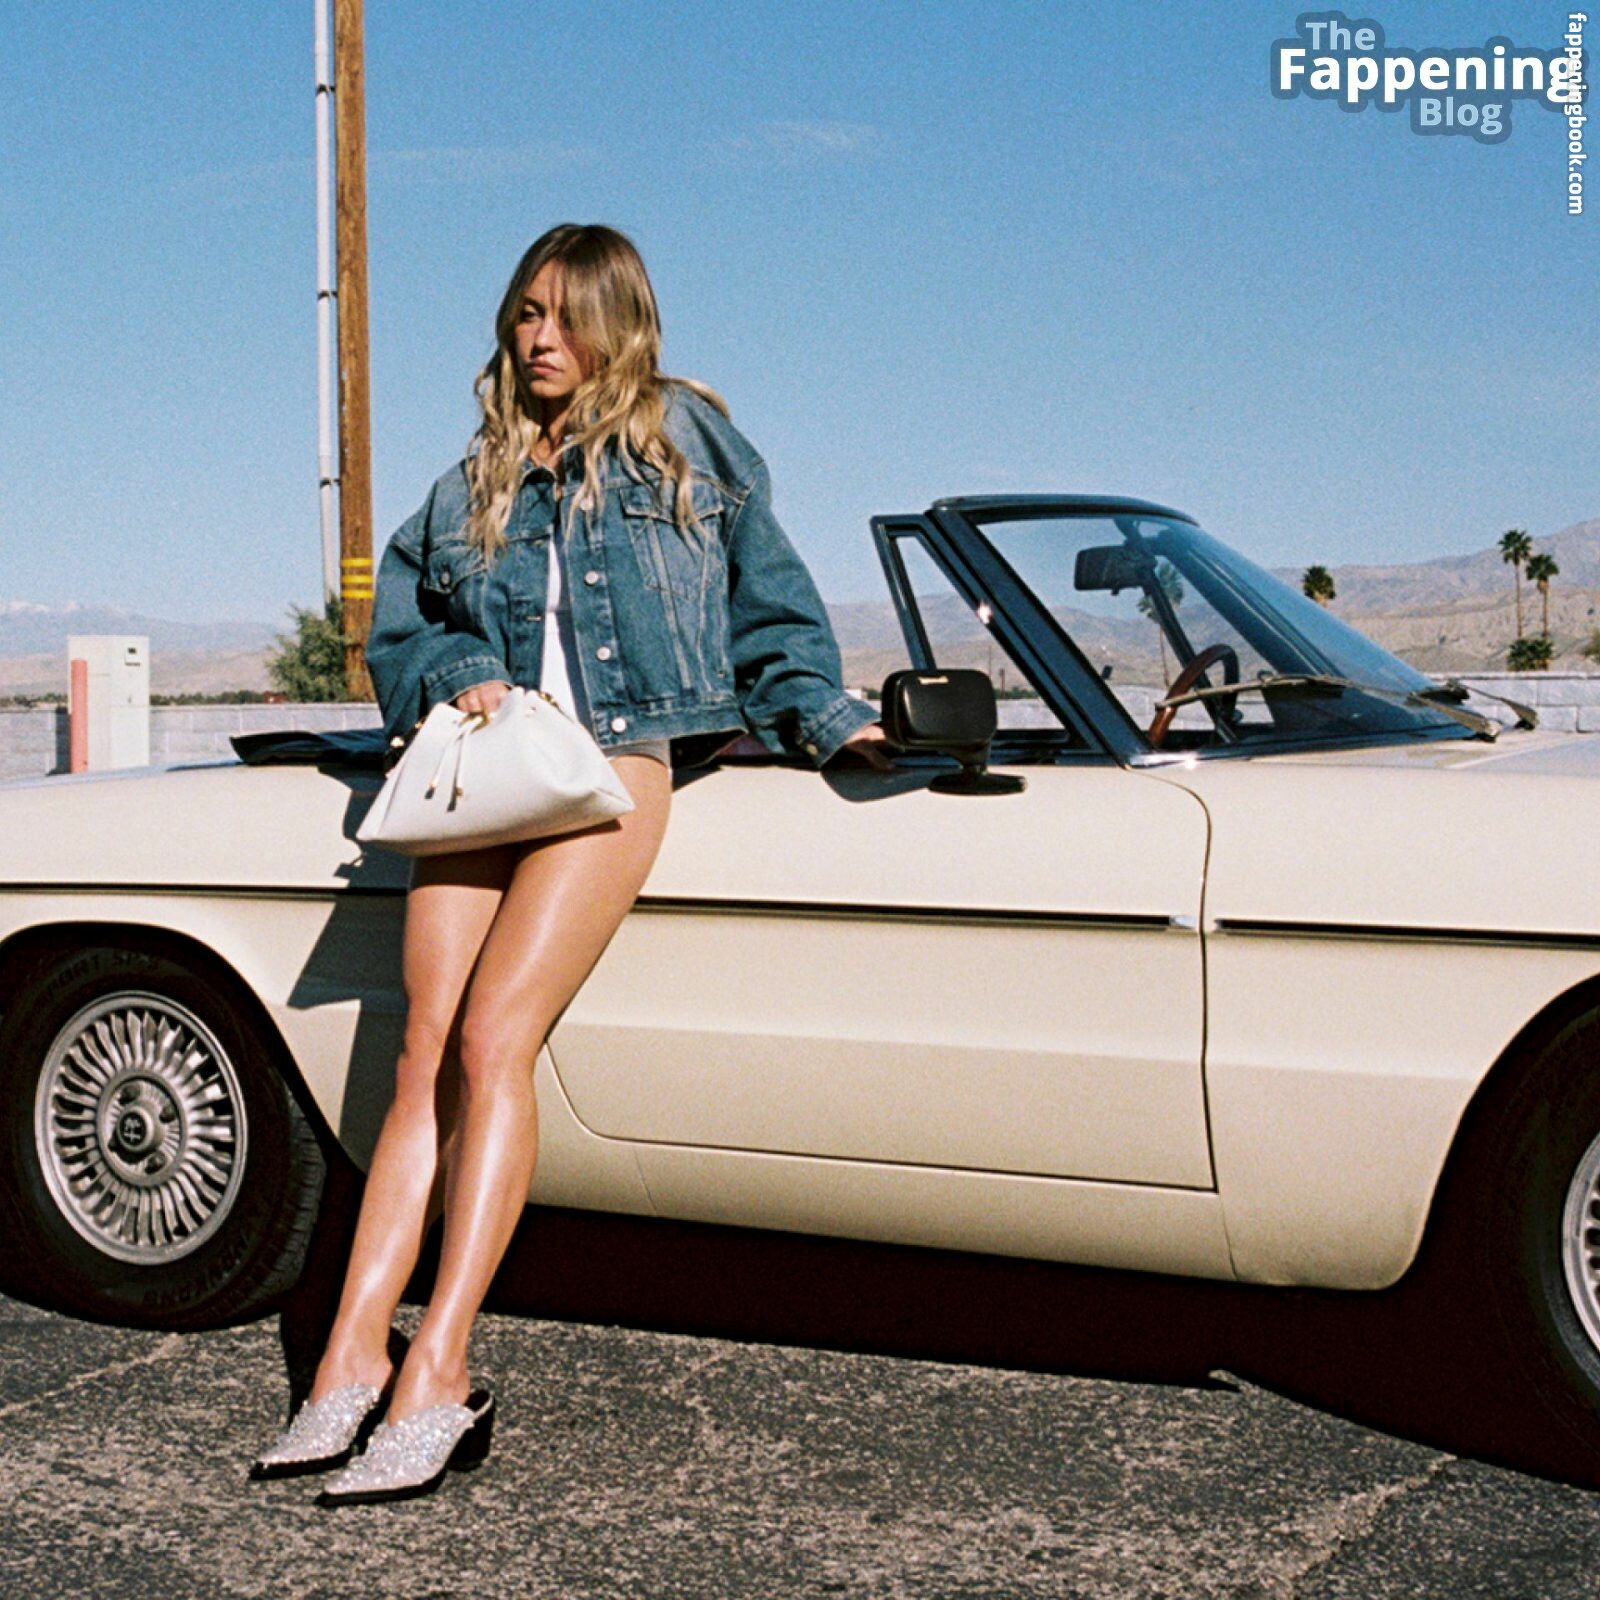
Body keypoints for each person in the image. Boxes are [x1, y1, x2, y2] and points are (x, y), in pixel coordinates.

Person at [249, 223, 895, 1505]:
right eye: (524, 315)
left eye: (564, 315)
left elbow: (770, 605)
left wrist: (834, 722)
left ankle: (439, 1368)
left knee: (496, 1036)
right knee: (422, 1049)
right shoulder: (476, 474)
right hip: (488, 767)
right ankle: (348, 1357)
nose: (539, 338)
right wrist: (459, 668)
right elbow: (402, 624)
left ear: (619, 320)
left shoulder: (686, 440)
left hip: (620, 757)